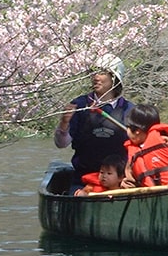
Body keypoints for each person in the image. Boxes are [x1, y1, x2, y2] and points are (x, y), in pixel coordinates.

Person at [54, 54, 134, 192]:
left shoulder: (129, 109)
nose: (96, 77)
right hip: (83, 180)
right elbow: (61, 144)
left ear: (114, 79)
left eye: (102, 73)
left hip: (119, 183)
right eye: (94, 72)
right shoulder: (80, 105)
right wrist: (64, 123)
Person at [120, 104, 168, 189]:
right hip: (154, 193)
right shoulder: (133, 154)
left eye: (127, 127)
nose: (127, 131)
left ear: (137, 131)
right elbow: (130, 179)